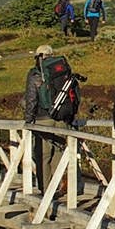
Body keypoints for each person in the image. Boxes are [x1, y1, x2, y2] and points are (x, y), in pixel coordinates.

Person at [23, 44, 70, 192]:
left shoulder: (36, 73)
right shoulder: (63, 70)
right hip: (61, 119)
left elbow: (31, 98)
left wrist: (28, 120)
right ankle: (57, 186)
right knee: (58, 152)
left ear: (38, 56)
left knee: (43, 156)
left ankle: (46, 190)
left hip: (43, 119)